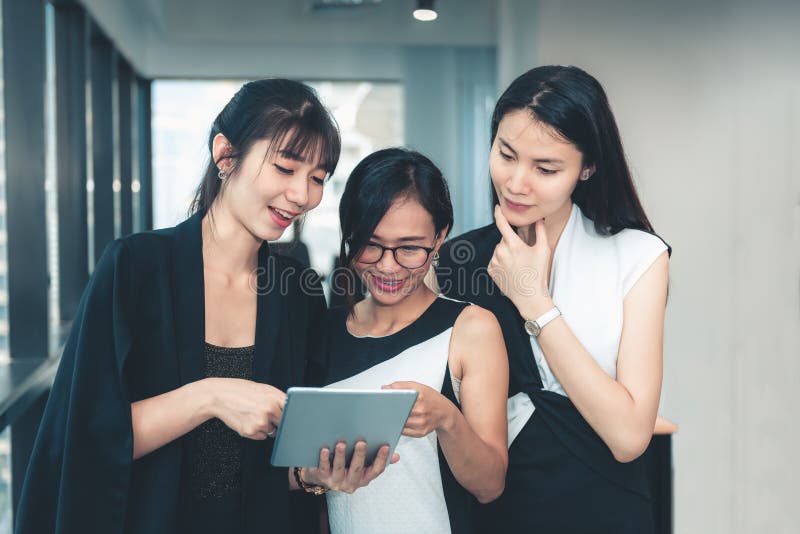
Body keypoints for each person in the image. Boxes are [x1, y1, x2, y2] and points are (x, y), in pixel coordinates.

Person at [16, 79, 394, 534]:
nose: (302, 195)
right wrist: (211, 396)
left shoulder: (298, 291)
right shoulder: (135, 269)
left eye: (317, 179)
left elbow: (286, 455)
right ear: (225, 155)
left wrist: (315, 475)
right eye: (285, 168)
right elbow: (86, 437)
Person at [436, 66, 671, 533]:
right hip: (492, 512)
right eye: (506, 154)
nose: (517, 182)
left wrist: (535, 303)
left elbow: (628, 436)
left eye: (546, 168)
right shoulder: (455, 261)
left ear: (587, 167)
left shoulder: (639, 257)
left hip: (605, 508)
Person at [313, 148, 509, 534]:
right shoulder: (322, 331)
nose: (387, 265)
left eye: (409, 248)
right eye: (370, 244)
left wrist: (447, 420)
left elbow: (490, 486)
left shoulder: (471, 329)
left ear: (440, 238)